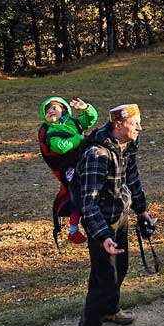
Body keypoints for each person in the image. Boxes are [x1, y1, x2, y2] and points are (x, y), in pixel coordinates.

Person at [71, 104, 155, 326]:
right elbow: (88, 203)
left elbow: (133, 178)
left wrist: (141, 210)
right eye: (135, 122)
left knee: (121, 268)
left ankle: (109, 310)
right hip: (102, 225)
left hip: (119, 217)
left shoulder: (126, 145)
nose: (140, 126)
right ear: (119, 125)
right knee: (102, 279)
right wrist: (103, 236)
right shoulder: (97, 155)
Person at [37, 96, 98, 244]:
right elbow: (61, 146)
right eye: (47, 110)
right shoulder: (49, 131)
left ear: (63, 109)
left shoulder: (74, 122)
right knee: (76, 192)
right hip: (69, 167)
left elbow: (91, 119)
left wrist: (86, 108)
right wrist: (80, 139)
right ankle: (73, 229)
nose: (50, 111)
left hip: (85, 162)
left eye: (54, 108)